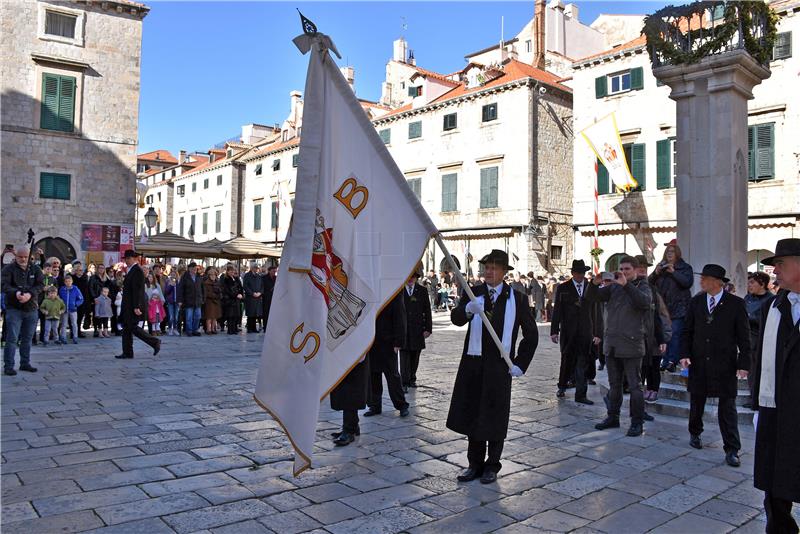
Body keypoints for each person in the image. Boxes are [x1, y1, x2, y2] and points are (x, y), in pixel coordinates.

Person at [447, 250, 538, 484]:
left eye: (494, 268)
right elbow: (456, 319)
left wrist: (520, 364)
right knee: (474, 414)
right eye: (486, 267)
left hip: (500, 366)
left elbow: (531, 335)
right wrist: (467, 310)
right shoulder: (473, 292)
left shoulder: (516, 298)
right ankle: (474, 464)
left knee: (495, 415)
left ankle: (492, 465)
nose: (488, 271)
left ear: (504, 272)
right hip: (474, 364)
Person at [751, 239, 800, 533]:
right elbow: (762, 359)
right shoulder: (774, 306)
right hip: (777, 408)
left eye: (780, 264)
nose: (774, 271)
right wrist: (759, 403)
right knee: (775, 480)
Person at [680, 264, 749, 467]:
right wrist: (684, 354)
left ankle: (732, 448)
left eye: (705, 278)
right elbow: (687, 331)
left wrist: (744, 363)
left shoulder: (735, 304)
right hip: (699, 361)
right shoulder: (696, 302)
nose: (701, 281)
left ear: (718, 282)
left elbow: (744, 338)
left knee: (727, 407)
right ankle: (695, 433)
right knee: (696, 402)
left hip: (724, 364)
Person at [593, 256, 651, 437]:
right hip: (612, 345)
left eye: (627, 269)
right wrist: (594, 284)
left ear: (635, 270)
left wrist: (626, 285)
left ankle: (637, 422)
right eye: (622, 269)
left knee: (635, 386)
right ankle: (613, 416)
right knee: (614, 385)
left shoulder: (642, 287)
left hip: (632, 344)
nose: (624, 272)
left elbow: (644, 302)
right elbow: (592, 298)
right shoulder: (614, 288)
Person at [550, 259, 597, 403]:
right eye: (577, 272)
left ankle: (581, 394)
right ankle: (562, 386)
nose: (580, 275)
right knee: (567, 359)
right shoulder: (563, 288)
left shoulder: (590, 287)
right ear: (572, 273)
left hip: (585, 331)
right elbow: (557, 309)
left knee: (583, 361)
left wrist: (597, 332)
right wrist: (554, 330)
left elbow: (595, 311)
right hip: (568, 331)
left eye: (582, 272)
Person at [649, 241, 694, 372]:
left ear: (677, 254)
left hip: (679, 308)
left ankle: (672, 361)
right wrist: (656, 273)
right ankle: (665, 359)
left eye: (672, 252)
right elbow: (649, 283)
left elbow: (687, 283)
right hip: (663, 308)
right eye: (667, 252)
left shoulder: (685, 267)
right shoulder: (661, 267)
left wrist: (673, 272)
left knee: (675, 334)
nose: (669, 254)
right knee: (664, 335)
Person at [364, 293, 410, 419]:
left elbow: (400, 318)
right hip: (372, 342)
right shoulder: (371, 292)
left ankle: (402, 405)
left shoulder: (393, 292)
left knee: (393, 375)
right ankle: (375, 405)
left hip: (389, 343)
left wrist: (399, 341)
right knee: (373, 375)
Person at [634, 255, 671, 405]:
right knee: (641, 367)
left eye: (644, 265)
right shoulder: (630, 285)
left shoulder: (652, 288)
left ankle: (653, 389)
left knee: (654, 364)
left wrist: (662, 337)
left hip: (654, 334)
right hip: (637, 336)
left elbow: (658, 314)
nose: (643, 268)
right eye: (639, 265)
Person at [2, 245, 44, 375]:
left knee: (27, 338)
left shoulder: (35, 269)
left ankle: (25, 363)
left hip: (31, 307)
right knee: (12, 338)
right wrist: (16, 293)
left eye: (26, 257)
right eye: (20, 257)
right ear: (16, 256)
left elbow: (40, 284)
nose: (23, 259)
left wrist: (30, 294)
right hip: (14, 308)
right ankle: (8, 366)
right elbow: (4, 285)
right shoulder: (8, 269)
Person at [116, 250, 160, 359]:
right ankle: (127, 352)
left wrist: (137, 306)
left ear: (134, 259)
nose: (127, 260)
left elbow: (138, 291)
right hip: (127, 305)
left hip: (132, 305)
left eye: (129, 258)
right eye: (126, 258)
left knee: (133, 327)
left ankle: (154, 342)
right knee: (127, 328)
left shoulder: (137, 271)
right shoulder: (131, 270)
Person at [743, 271, 773, 408]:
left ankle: (758, 397)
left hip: (762, 338)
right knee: (751, 370)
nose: (749, 285)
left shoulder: (770, 300)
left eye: (752, 282)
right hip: (749, 338)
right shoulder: (748, 298)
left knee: (760, 369)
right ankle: (752, 397)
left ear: (762, 284)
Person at [400, 269, 432, 391]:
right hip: (403, 329)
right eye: (409, 276)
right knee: (404, 355)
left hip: (418, 329)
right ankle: (404, 381)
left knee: (415, 355)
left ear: (416, 278)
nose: (411, 279)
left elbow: (427, 310)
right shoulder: (399, 291)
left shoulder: (422, 291)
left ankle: (412, 377)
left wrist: (428, 328)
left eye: (413, 277)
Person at [178, 262, 203, 336]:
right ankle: (189, 331)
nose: (194, 269)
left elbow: (202, 288)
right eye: (192, 268)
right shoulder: (185, 277)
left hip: (198, 300)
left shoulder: (199, 277)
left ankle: (195, 330)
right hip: (188, 300)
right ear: (189, 269)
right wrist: (180, 300)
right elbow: (180, 289)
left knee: (198, 316)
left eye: (195, 268)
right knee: (189, 317)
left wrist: (202, 298)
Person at [58, 274, 83, 345]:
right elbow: (59, 299)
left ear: (72, 281)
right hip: (64, 310)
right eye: (66, 281)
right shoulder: (62, 289)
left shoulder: (75, 289)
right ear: (64, 282)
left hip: (73, 309)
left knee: (74, 324)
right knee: (64, 324)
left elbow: (81, 299)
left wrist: (76, 304)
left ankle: (75, 337)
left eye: (69, 281)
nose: (68, 283)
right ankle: (63, 337)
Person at [220, 265, 244, 335]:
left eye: (233, 270)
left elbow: (240, 287)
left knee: (236, 315)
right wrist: (235, 295)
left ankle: (234, 329)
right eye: (230, 271)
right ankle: (230, 330)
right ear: (227, 271)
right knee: (230, 316)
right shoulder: (225, 279)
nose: (232, 272)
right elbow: (227, 290)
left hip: (237, 300)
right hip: (229, 300)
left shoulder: (236, 278)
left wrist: (241, 294)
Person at [242, 261, 263, 333]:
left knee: (255, 314)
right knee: (250, 314)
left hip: (257, 298)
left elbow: (262, 286)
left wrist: (260, 293)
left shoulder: (259, 276)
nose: (257, 269)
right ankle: (249, 328)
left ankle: (254, 328)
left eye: (257, 268)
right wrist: (252, 293)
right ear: (252, 268)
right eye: (256, 268)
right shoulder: (247, 275)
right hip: (250, 298)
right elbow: (245, 286)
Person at [71, 262, 91, 337]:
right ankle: (73, 332)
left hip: (82, 300)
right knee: (73, 317)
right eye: (80, 270)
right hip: (74, 300)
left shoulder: (84, 277)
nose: (81, 272)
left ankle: (78, 331)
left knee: (80, 316)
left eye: (82, 270)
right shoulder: (72, 278)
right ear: (76, 271)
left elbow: (86, 289)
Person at [202, 267, 222, 334]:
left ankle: (213, 329)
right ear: (209, 275)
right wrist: (214, 295)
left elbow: (220, 291)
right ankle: (208, 329)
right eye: (211, 275)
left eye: (214, 275)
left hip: (216, 301)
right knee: (209, 317)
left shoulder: (217, 282)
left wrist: (219, 295)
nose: (213, 276)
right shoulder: (206, 283)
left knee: (214, 317)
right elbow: (206, 293)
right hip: (209, 302)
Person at [261, 265, 277, 329]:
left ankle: (272, 327)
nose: (274, 273)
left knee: (273, 313)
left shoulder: (276, 278)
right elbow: (261, 287)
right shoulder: (264, 278)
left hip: (274, 298)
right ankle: (265, 327)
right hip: (266, 298)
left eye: (275, 271)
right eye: (273, 271)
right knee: (266, 313)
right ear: (269, 271)